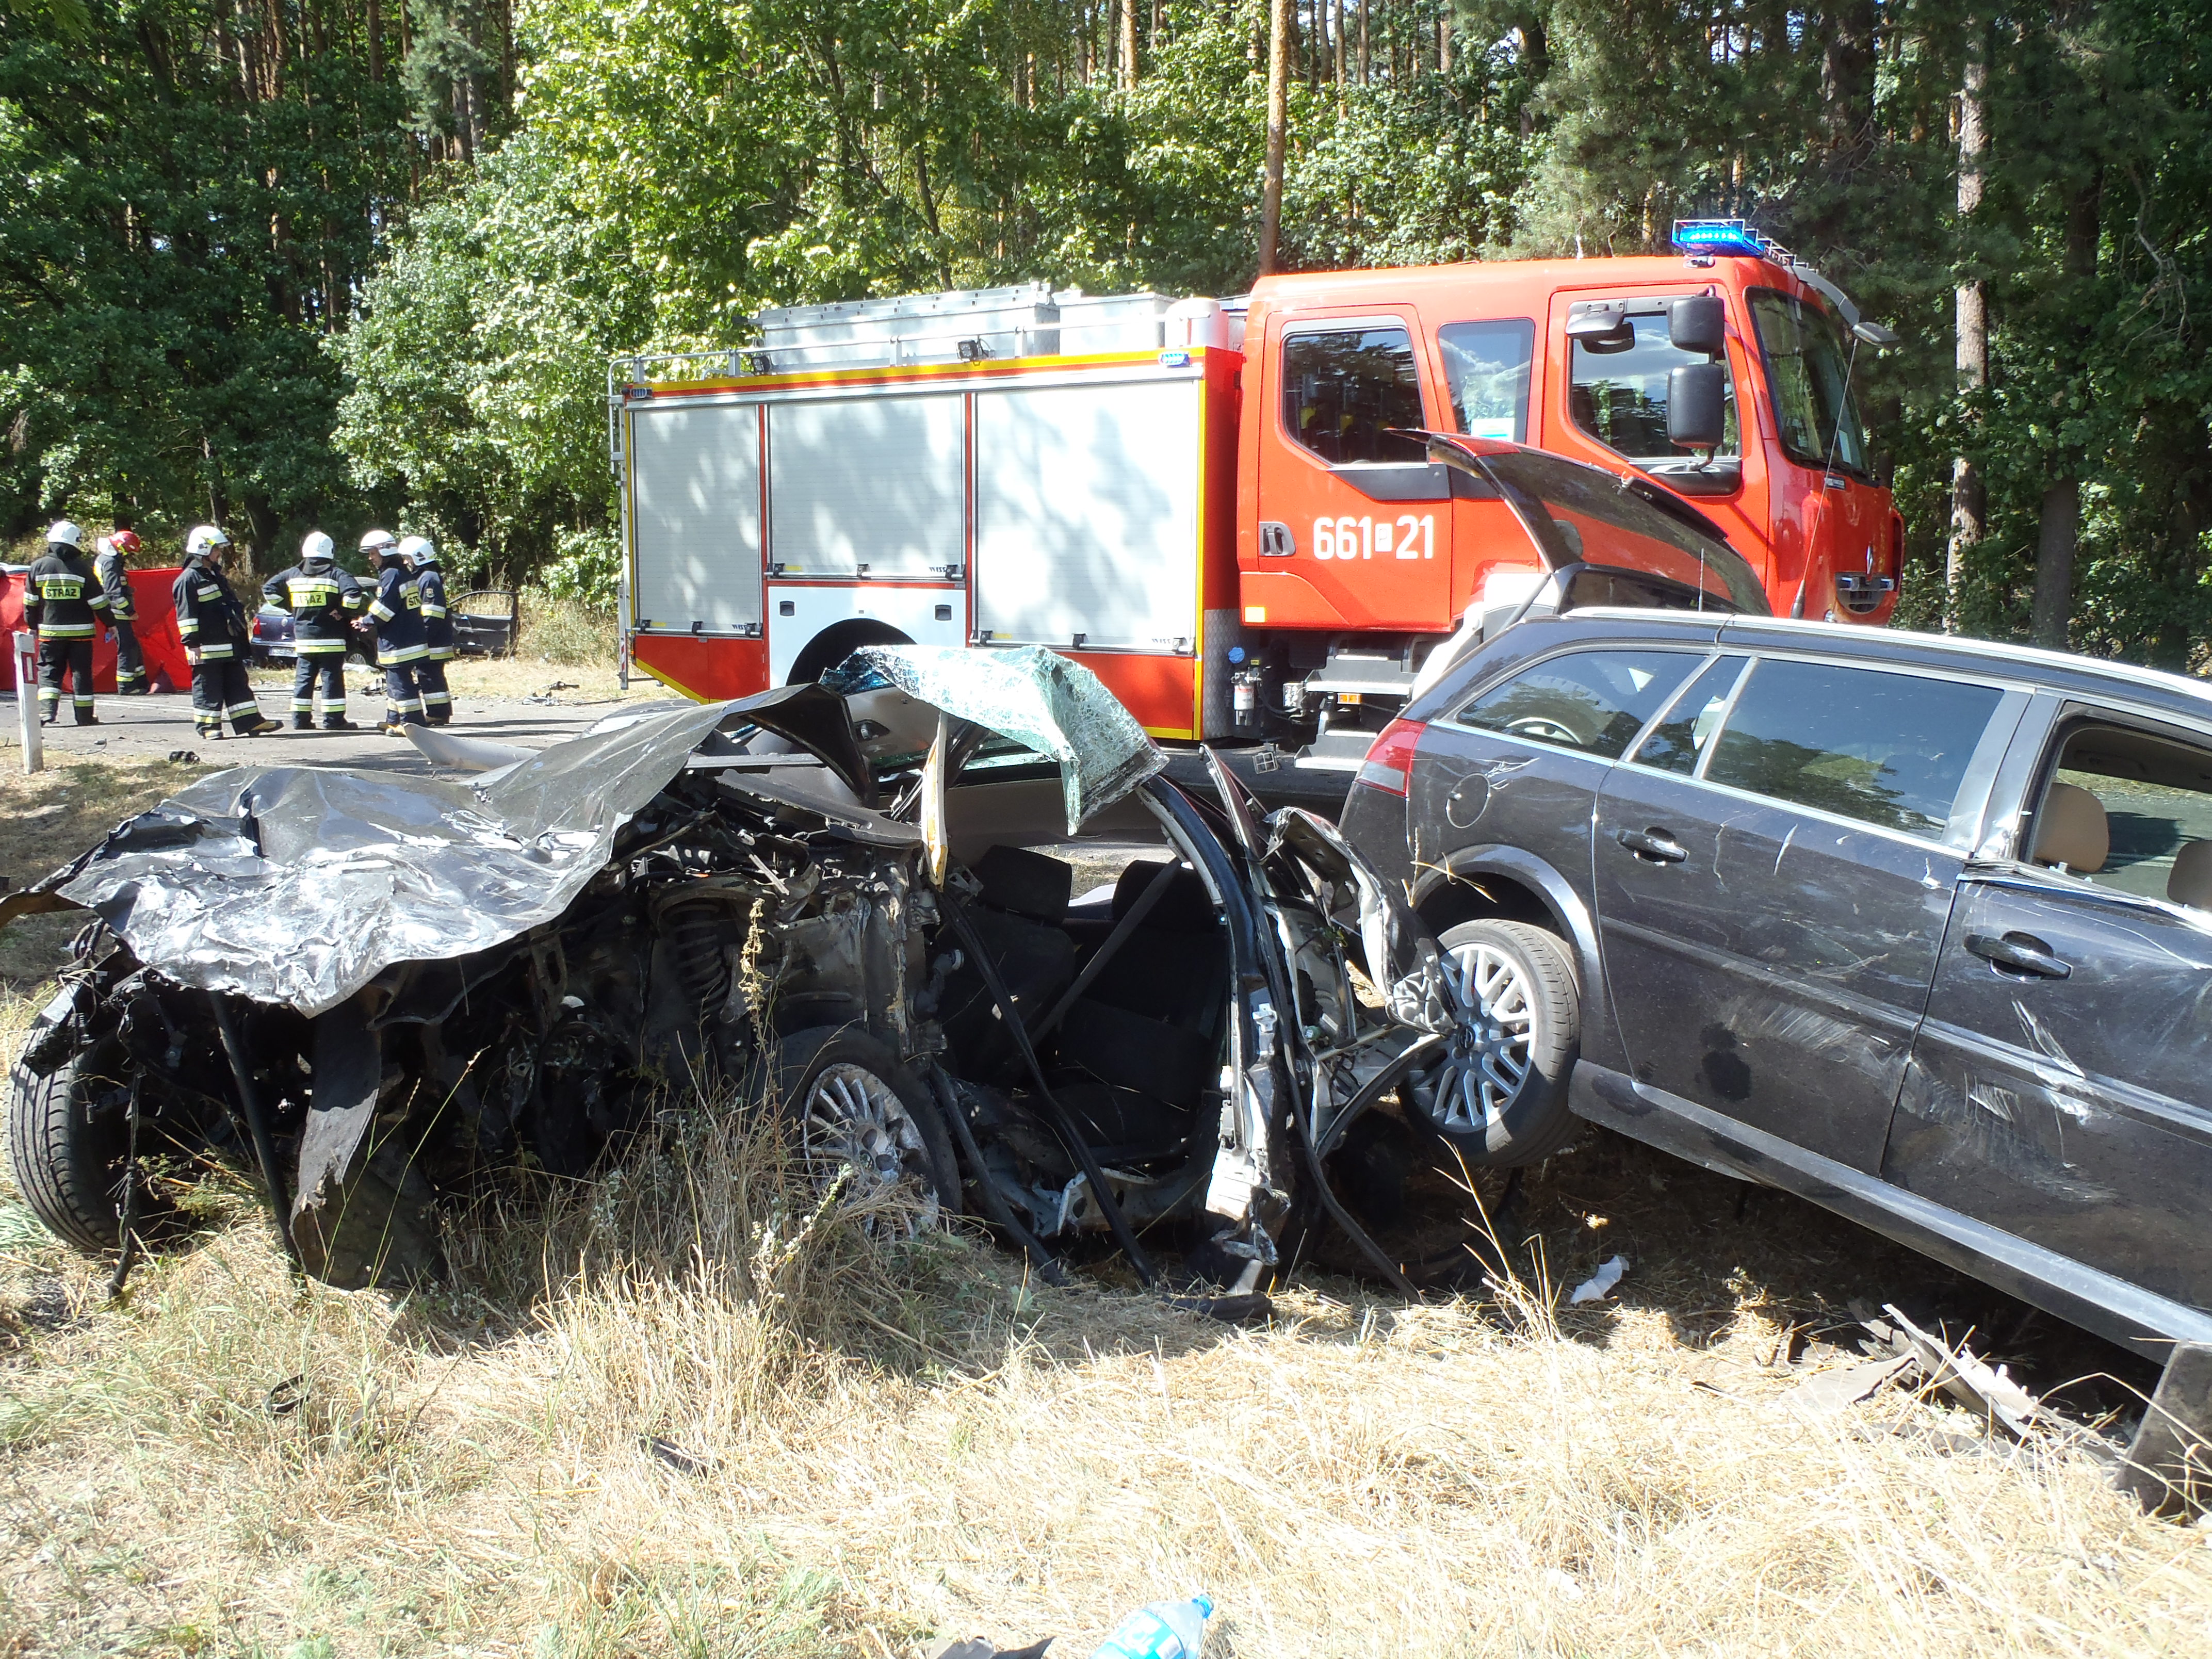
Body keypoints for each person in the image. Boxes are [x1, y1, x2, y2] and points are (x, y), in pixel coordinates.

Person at [173, 525, 282, 739]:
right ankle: (208, 727)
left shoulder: (213, 575)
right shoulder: (188, 580)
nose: (219, 554)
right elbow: (186, 616)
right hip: (206, 648)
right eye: (216, 549)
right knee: (208, 688)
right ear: (203, 549)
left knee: (238, 685)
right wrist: (192, 644)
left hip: (229, 645)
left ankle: (251, 723)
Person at [264, 530, 365, 730]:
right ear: (330, 551)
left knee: (304, 680)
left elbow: (269, 590)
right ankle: (334, 721)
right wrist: (342, 611)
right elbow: (354, 596)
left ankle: (300, 720)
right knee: (332, 680)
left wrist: (291, 607)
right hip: (331, 640)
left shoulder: (293, 574)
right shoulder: (336, 574)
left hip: (304, 640)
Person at [24, 521, 108, 726]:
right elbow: (98, 601)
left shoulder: (38, 567)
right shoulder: (82, 568)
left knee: (49, 671)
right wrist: (111, 623)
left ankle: (46, 712)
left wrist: (32, 626)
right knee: (81, 674)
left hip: (50, 634)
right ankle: (84, 717)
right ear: (75, 542)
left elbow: (30, 602)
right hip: (81, 634)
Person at [361, 528, 428, 734]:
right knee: (394, 682)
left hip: (399, 641)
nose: (371, 558)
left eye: (373, 553)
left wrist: (366, 621)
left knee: (401, 683)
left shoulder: (391, 575)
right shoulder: (401, 573)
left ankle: (412, 725)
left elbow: (385, 608)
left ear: (384, 551)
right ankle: (394, 720)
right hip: (409, 637)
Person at [399, 534, 455, 726]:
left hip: (433, 639)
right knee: (428, 674)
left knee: (430, 675)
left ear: (419, 557)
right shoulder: (424, 577)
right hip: (431, 637)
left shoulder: (429, 578)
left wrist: (422, 636)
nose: (406, 562)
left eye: (408, 558)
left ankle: (438, 714)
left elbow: (432, 613)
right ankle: (439, 712)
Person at [93, 526, 150, 695]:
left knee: (133, 647)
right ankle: (126, 686)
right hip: (117, 613)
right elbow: (113, 592)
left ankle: (141, 682)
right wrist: (129, 611)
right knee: (127, 648)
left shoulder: (108, 559)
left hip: (117, 612)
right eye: (128, 552)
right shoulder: (110, 562)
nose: (128, 556)